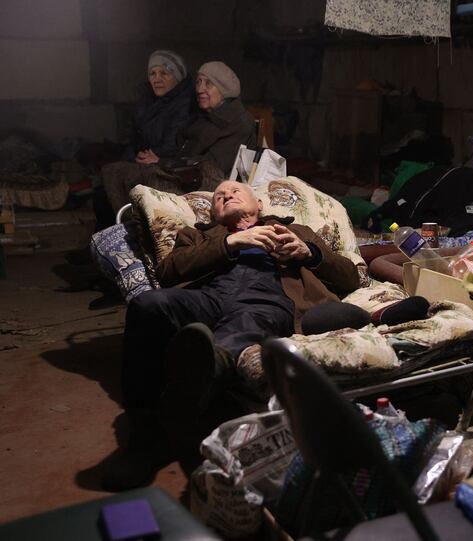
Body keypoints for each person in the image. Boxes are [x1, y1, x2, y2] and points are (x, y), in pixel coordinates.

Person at [102, 180, 362, 491]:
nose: (227, 195)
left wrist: (309, 253)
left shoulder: (298, 231)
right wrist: (232, 243)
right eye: (220, 196)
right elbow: (169, 272)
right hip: (209, 296)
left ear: (260, 206)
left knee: (248, 322)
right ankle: (144, 434)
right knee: (149, 305)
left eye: (236, 191)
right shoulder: (197, 235)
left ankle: (201, 375)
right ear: (213, 213)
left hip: (267, 299)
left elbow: (351, 277)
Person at [100, 61, 255, 221]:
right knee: (112, 173)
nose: (200, 89)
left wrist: (161, 162)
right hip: (186, 172)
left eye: (208, 84)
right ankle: (123, 231)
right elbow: (181, 148)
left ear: (224, 89)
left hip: (204, 183)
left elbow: (212, 166)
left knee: (131, 177)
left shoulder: (238, 123)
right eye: (199, 82)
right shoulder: (205, 117)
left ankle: (133, 229)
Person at [122, 50, 196, 164]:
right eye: (152, 73)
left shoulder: (186, 104)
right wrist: (132, 157)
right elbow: (131, 137)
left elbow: (172, 145)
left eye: (164, 73)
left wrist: (145, 157)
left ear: (178, 77)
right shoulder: (144, 99)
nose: (157, 80)